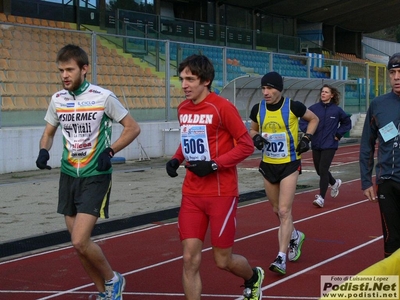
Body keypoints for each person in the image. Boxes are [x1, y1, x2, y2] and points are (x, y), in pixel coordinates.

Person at [35, 44, 141, 300]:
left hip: (96, 175)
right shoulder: (57, 99)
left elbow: (132, 128)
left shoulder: (103, 96)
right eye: (61, 70)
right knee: (79, 247)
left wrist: (111, 151)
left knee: (80, 240)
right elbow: (48, 133)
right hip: (69, 175)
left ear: (84, 69)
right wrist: (43, 151)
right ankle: (104, 293)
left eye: (69, 69)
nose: (64, 75)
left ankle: (114, 280)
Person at [165, 54, 264, 300]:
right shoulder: (183, 108)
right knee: (189, 258)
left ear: (206, 80)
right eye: (182, 79)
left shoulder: (222, 107)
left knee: (222, 260)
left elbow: (246, 145)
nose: (184, 85)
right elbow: (188, 139)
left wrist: (213, 165)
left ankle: (252, 277)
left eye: (190, 79)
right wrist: (177, 158)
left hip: (221, 193)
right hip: (192, 194)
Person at [249, 71, 319, 275]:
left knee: (284, 211)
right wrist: (256, 138)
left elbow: (314, 119)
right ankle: (295, 236)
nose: (266, 92)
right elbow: (252, 129)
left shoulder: (293, 106)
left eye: (270, 88)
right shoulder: (258, 109)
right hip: (268, 164)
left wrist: (307, 138)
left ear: (279, 89)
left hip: (289, 163)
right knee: (275, 210)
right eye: (263, 88)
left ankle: (281, 258)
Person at [360, 52, 400, 258]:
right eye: (392, 72)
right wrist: (366, 181)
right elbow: (367, 143)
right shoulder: (379, 104)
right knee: (392, 240)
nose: (397, 77)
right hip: (388, 182)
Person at [299, 84, 352, 208]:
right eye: (322, 92)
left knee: (323, 169)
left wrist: (338, 134)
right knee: (319, 170)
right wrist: (309, 132)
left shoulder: (337, 110)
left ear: (332, 95)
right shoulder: (313, 109)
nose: (323, 94)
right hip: (316, 143)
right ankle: (334, 183)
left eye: (326, 92)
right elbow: (302, 121)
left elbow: (347, 122)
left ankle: (321, 197)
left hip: (330, 144)